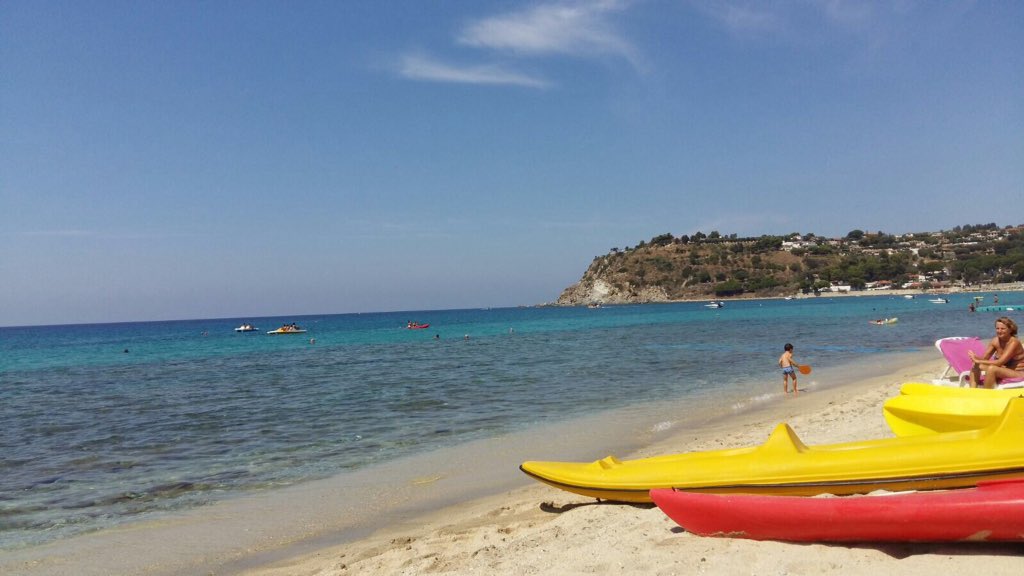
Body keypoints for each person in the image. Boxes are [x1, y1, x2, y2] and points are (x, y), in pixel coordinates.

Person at [968, 317, 1024, 388]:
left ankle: (986, 394)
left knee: (992, 369)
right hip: (1005, 370)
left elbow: (1000, 362)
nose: (999, 331)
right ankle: (973, 391)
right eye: (997, 328)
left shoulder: (1014, 342)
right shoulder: (995, 341)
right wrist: (976, 358)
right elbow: (984, 359)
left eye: (1003, 329)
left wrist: (978, 360)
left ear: (1010, 330)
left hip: (1019, 373)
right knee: (976, 365)